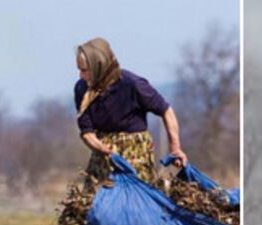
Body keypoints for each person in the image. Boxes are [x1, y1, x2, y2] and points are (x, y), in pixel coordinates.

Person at [73, 37, 184, 188]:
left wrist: (175, 148)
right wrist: (101, 148)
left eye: (84, 70)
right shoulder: (82, 89)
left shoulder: (132, 84)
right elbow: (86, 131)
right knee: (93, 205)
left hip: (135, 154)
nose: (80, 75)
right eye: (79, 69)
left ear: (99, 66)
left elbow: (166, 111)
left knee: (138, 200)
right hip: (103, 155)